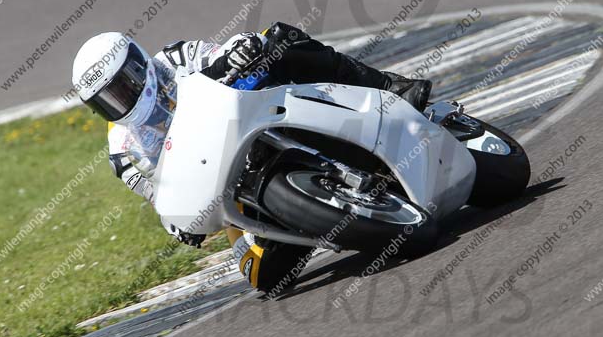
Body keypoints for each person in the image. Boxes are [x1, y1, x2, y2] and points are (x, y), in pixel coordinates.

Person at [71, 22, 432, 292]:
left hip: (260, 119)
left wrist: (240, 50)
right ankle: (316, 218)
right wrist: (182, 226)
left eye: (122, 87)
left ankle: (385, 86)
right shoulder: (125, 153)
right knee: (265, 279)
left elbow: (223, 50)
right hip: (233, 188)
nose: (121, 102)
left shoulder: (174, 59)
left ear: (137, 65)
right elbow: (162, 200)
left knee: (277, 40)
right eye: (107, 101)